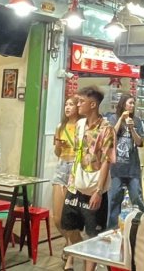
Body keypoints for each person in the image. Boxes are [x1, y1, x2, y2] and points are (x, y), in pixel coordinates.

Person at [61, 86, 116, 271]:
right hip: (74, 186)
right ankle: (74, 256)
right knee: (69, 226)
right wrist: (69, 181)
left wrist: (99, 191)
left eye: (81, 101)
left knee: (93, 234)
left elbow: (107, 161)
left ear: (93, 104)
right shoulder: (79, 125)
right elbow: (78, 154)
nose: (78, 104)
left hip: (94, 189)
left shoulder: (107, 129)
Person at [107, 94, 144, 229]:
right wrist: (121, 120)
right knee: (114, 199)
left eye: (133, 103)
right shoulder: (113, 118)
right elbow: (110, 136)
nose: (132, 106)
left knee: (137, 197)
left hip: (132, 167)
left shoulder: (137, 120)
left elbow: (140, 142)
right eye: (130, 103)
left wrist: (132, 129)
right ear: (123, 104)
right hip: (116, 168)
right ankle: (112, 228)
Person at [52, 97, 79, 237]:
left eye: (71, 104)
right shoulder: (60, 126)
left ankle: (70, 249)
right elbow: (57, 153)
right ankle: (70, 244)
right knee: (57, 218)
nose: (67, 107)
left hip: (76, 167)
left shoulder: (82, 125)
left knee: (70, 217)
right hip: (62, 166)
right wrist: (58, 145)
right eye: (66, 105)